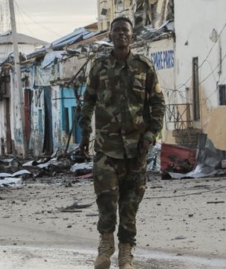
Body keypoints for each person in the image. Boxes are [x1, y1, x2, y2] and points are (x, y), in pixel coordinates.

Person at [79, 16, 165, 269]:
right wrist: (84, 133)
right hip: (106, 148)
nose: (121, 35)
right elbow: (88, 101)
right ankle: (105, 247)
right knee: (106, 200)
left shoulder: (144, 67)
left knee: (130, 205)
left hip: (136, 149)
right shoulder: (99, 67)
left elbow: (158, 104)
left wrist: (151, 135)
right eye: (116, 31)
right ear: (111, 35)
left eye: (125, 31)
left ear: (131, 36)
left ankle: (126, 253)